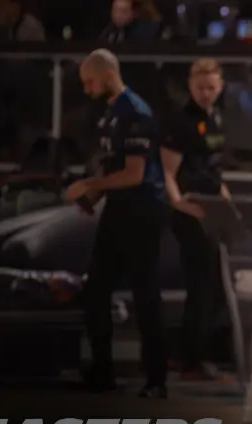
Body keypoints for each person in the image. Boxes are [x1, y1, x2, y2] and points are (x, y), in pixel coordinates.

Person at [65, 49, 168, 398]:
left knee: (145, 295)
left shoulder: (136, 113)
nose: (87, 89)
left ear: (108, 73)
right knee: (96, 288)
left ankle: (157, 379)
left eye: (90, 81)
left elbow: (135, 174)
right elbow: (113, 167)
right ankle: (101, 370)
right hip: (118, 208)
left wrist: (89, 186)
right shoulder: (109, 114)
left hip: (143, 211)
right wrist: (92, 198)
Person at [159, 58, 233, 381]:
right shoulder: (181, 122)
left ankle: (193, 354)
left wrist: (227, 201)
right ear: (190, 86)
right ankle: (191, 360)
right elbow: (167, 172)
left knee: (213, 285)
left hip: (213, 210)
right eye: (201, 87)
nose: (206, 93)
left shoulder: (215, 118)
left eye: (212, 87)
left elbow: (212, 168)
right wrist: (179, 204)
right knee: (201, 285)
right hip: (191, 212)